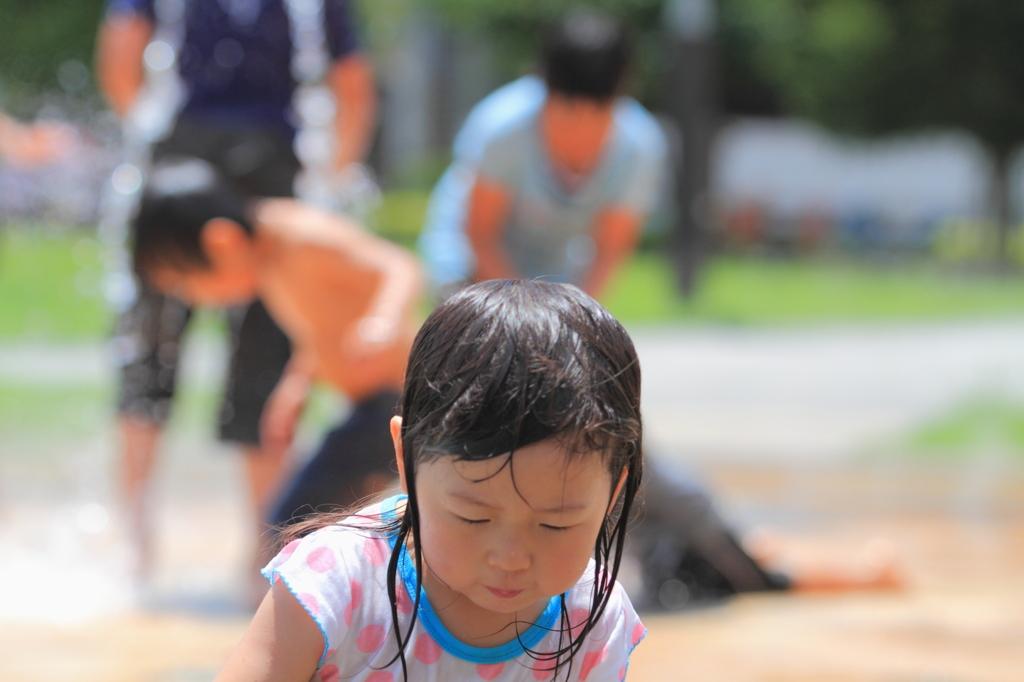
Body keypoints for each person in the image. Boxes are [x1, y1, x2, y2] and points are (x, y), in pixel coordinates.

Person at [420, 10, 900, 612]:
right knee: (487, 431)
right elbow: (479, 234)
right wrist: (528, 325)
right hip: (474, 284)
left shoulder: (636, 145)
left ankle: (714, 554)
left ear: (619, 99)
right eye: (567, 110)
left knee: (597, 435)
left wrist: (569, 331)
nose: (581, 129)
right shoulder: (503, 128)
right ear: (544, 90)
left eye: (596, 112)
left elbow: (608, 248)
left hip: (559, 293)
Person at [213, 279, 647, 682]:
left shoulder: (592, 619)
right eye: (473, 517)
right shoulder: (336, 585)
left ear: (613, 493)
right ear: (405, 458)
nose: (510, 558)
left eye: (555, 524)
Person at [94, 0, 378, 580]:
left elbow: (121, 54)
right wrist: (333, 178)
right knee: (262, 363)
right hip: (269, 168)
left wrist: (146, 138)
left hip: (179, 165)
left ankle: (134, 541)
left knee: (149, 354)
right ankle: (264, 553)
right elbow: (352, 85)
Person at [132, 157, 420, 583]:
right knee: (322, 523)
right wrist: (295, 387)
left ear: (222, 243)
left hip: (398, 403)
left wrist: (383, 320)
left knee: (292, 526)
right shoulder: (269, 258)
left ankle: (320, 609)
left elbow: (398, 266)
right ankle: (369, 598)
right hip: (373, 408)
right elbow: (319, 327)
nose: (191, 298)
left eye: (185, 283)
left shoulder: (301, 236)